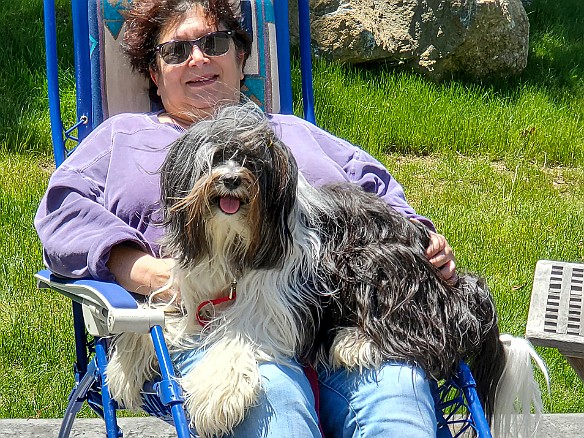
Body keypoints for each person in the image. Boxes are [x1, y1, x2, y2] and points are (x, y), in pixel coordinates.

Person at [35, 0, 456, 436]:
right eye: (176, 52)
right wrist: (141, 269)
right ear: (155, 76)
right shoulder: (122, 137)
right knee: (272, 397)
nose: (197, 58)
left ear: (241, 60)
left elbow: (379, 196)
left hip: (342, 322)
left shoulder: (294, 133)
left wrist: (420, 239)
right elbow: (62, 213)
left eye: (214, 43)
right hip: (202, 326)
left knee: (397, 391)